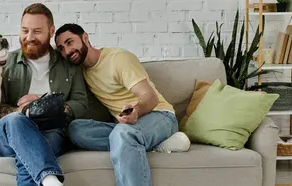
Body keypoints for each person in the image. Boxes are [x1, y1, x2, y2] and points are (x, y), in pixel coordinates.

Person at [54, 23, 191, 186]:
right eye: (61, 48)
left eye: (70, 42)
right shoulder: (79, 72)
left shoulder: (118, 58)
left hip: (159, 115)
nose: (67, 51)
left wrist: (136, 111)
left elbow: (150, 97)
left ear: (85, 37)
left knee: (123, 134)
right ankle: (150, 142)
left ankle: (135, 140)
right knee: (75, 129)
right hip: (127, 126)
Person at [0, 4, 88, 186]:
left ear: (51, 31)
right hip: (9, 133)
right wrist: (26, 111)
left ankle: (49, 180)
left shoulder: (68, 65)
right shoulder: (6, 63)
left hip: (51, 131)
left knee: (34, 150)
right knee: (15, 120)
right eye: (25, 30)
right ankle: (51, 180)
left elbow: (81, 103)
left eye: (37, 31)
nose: (29, 37)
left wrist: (43, 106)